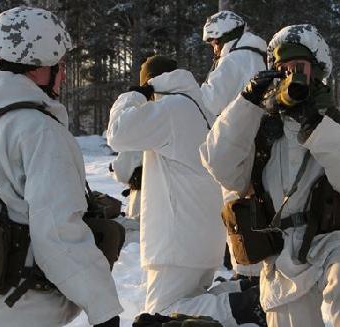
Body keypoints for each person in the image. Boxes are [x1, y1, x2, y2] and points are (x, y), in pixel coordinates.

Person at [0, 7, 122, 327]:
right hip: (27, 299)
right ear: (40, 67)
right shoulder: (40, 131)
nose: (64, 74)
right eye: (60, 65)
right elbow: (58, 233)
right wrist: (104, 308)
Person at [200, 24, 340, 327]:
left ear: (318, 72)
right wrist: (246, 103)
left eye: (299, 68)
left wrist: (314, 125)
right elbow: (219, 164)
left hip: (334, 241)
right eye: (282, 69)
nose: (291, 76)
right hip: (282, 253)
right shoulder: (260, 130)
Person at [106, 55, 226, 315]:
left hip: (177, 244)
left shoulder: (170, 110)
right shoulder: (200, 108)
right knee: (188, 313)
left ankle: (242, 303)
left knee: (163, 315)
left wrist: (133, 97)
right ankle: (241, 297)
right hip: (201, 239)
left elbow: (117, 133)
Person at [201, 10, 267, 281]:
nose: (214, 50)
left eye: (215, 43)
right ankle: (256, 273)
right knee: (260, 210)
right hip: (263, 146)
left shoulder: (234, 61)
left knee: (239, 210)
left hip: (239, 145)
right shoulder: (260, 56)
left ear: (225, 38)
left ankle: (247, 277)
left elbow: (208, 102)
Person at [201, 10, 267, 117]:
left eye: (213, 44)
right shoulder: (260, 54)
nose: (214, 50)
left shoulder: (232, 60)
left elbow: (210, 103)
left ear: (221, 39)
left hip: (239, 128)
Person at [110, 151, 142, 221]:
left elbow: (122, 174)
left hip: (140, 195)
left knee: (138, 224)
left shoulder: (131, 145)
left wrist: (113, 170)